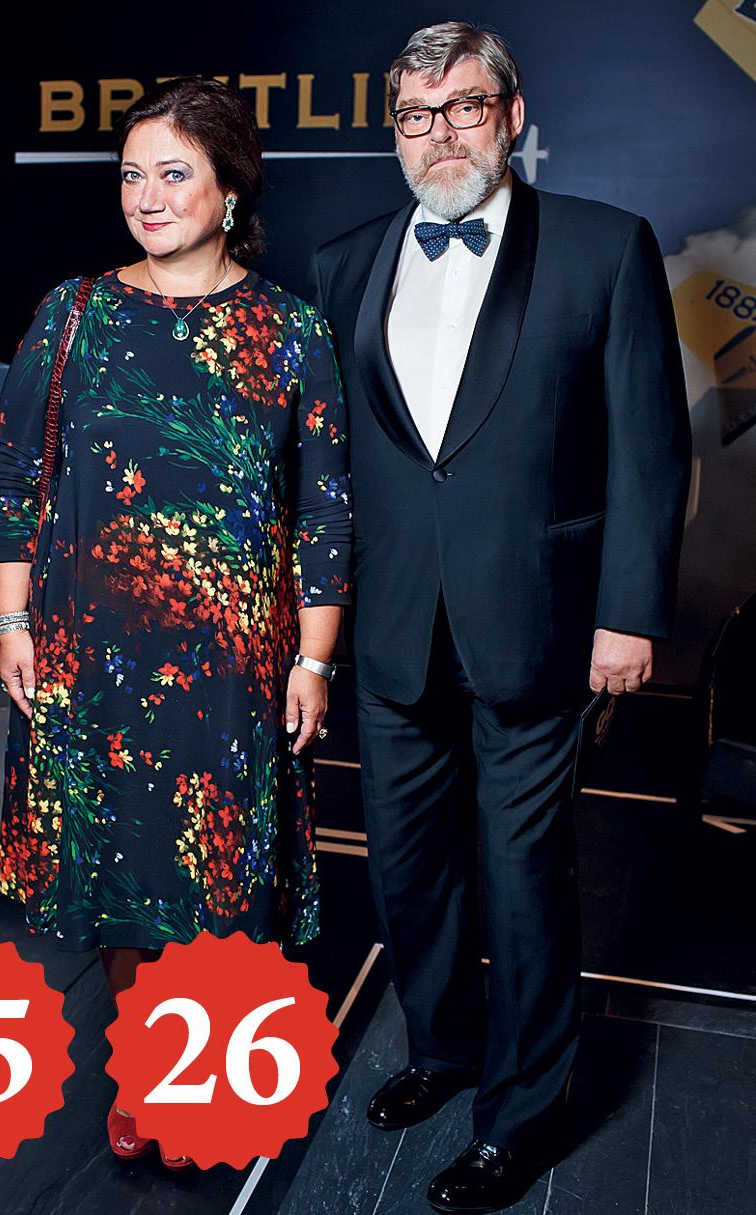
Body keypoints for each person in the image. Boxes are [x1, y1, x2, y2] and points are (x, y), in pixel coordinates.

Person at [311, 21, 690, 1214]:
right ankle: (445, 1045)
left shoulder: (603, 246)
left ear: (512, 117)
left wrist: (629, 613)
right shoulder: (345, 262)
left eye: (464, 107)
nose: (440, 134)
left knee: (524, 876)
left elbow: (651, 447)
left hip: (539, 621)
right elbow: (335, 468)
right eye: (415, 116)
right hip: (389, 628)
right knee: (410, 870)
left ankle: (521, 1114)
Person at [0, 76, 352, 1169]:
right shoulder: (74, 314)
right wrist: (11, 625)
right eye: (131, 175)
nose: (146, 197)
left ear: (230, 188)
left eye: (174, 173)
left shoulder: (291, 331)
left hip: (232, 662)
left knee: (217, 876)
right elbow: (15, 480)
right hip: (89, 652)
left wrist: (315, 659)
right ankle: (141, 1072)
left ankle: (189, 1074)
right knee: (116, 868)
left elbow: (324, 509)